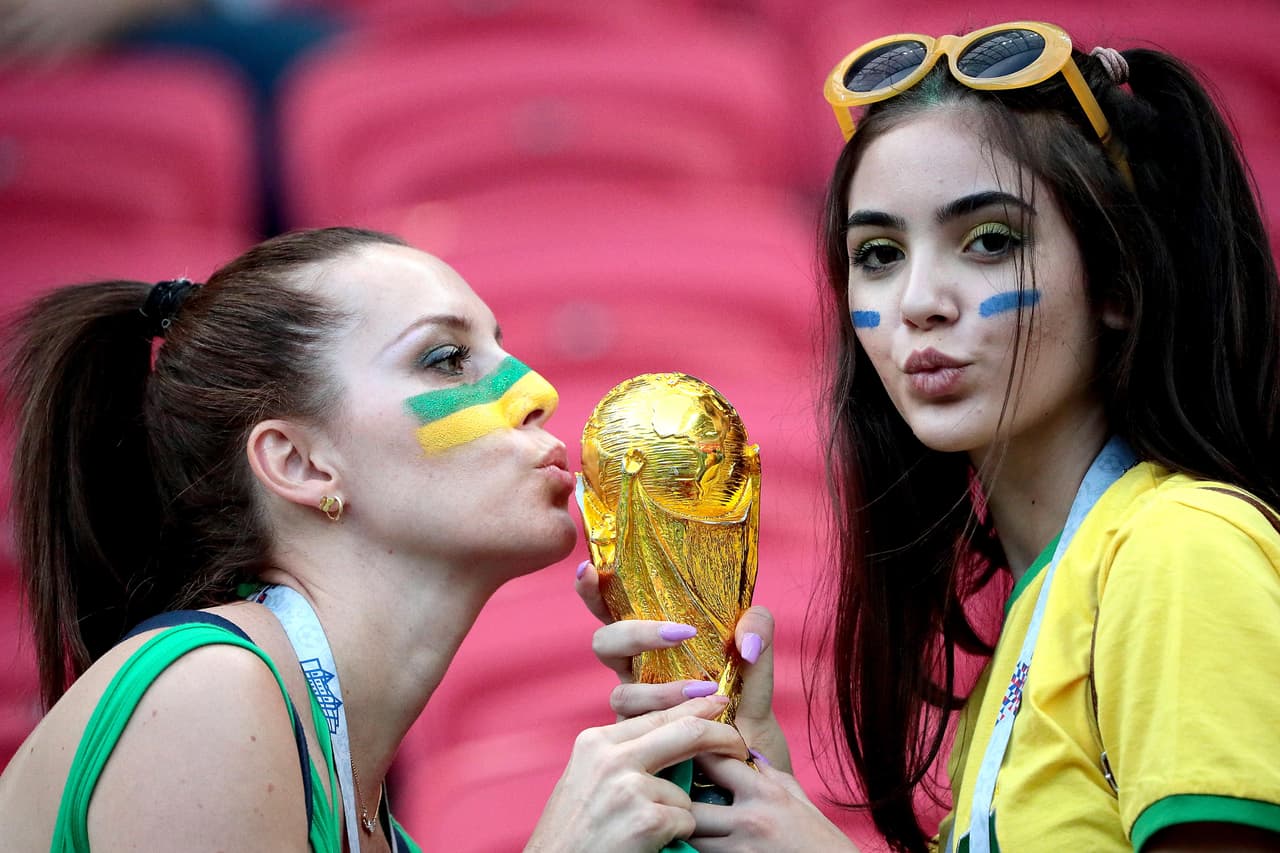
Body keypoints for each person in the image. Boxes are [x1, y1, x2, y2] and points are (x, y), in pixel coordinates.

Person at [578, 20, 1280, 853]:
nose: (919, 300)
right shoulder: (1045, 605)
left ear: (1118, 284)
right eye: (877, 253)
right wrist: (749, 776)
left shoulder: (1181, 548)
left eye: (988, 241)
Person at [0, 226, 752, 852]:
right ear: (299, 462)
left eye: (498, 347)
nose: (537, 391)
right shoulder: (209, 690)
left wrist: (738, 761)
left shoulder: (366, 808)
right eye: (446, 358)